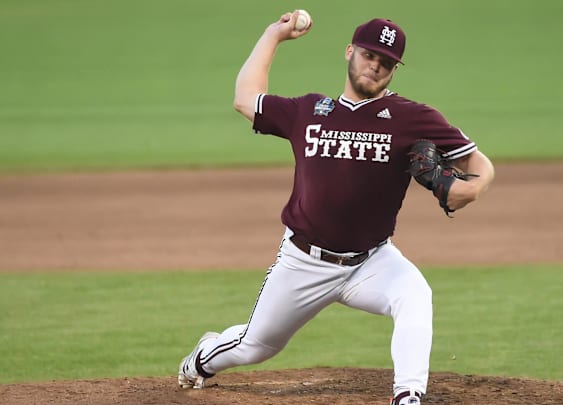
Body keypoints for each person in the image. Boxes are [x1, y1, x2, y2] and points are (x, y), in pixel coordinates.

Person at [178, 10, 495, 405]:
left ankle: (408, 396)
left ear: (394, 70)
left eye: (385, 62)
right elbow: (245, 98)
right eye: (369, 55)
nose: (375, 66)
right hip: (303, 262)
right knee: (255, 346)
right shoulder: (309, 112)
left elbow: (480, 165)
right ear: (350, 53)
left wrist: (471, 190)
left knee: (415, 295)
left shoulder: (413, 118)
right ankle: (202, 359)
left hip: (371, 261)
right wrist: (273, 35)